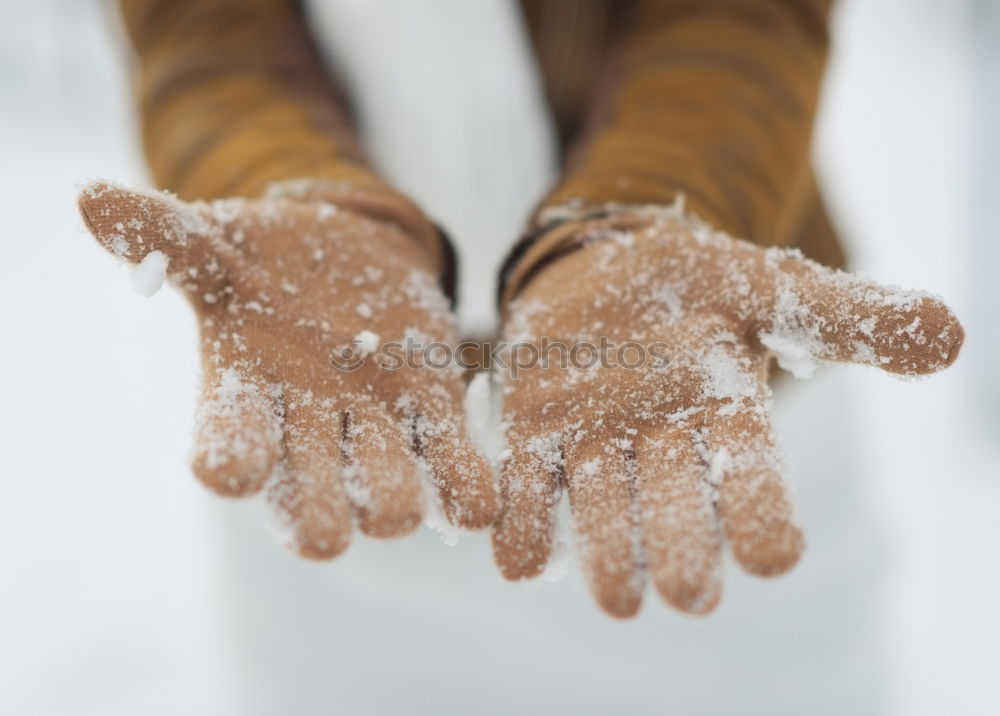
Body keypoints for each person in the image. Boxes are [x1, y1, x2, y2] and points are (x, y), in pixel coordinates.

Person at [78, 1, 963, 711]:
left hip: (694, 408)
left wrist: (644, 209)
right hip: (336, 416)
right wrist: (283, 183)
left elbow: (740, 16)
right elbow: (205, 32)